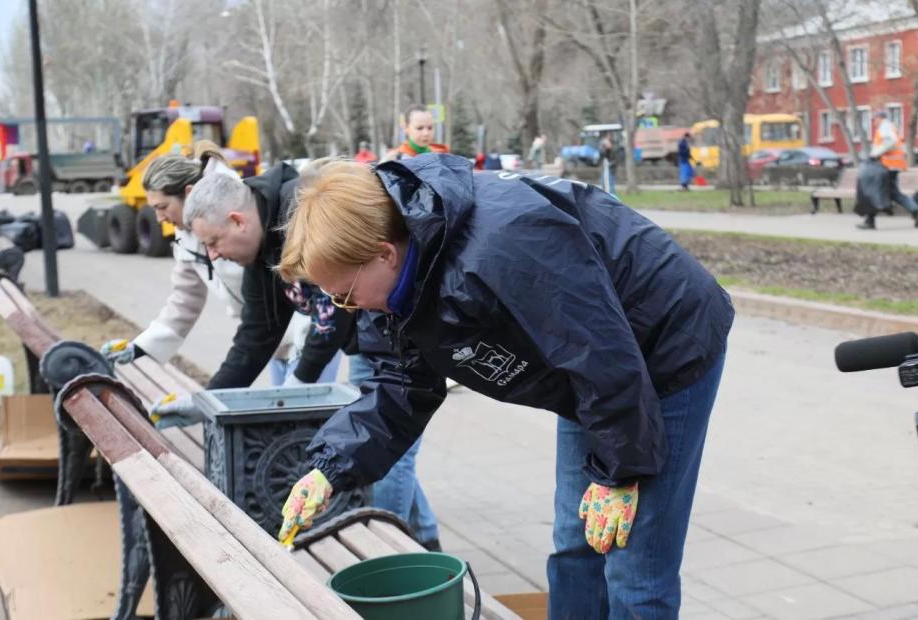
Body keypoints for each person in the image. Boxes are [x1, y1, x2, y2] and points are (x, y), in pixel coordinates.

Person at [276, 155, 734, 618]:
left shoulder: (505, 242)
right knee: (575, 543)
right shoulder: (392, 293)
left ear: (384, 253)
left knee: (633, 565)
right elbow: (401, 386)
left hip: (664, 349)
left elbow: (598, 349)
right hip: (589, 377)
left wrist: (620, 472)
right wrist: (330, 467)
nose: (347, 308)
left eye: (346, 294)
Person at [155, 159, 441, 549]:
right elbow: (255, 337)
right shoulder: (258, 252)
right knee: (377, 441)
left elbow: (333, 314)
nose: (213, 255)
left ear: (238, 221)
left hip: (395, 334)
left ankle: (387, 552)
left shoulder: (298, 212)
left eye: (213, 242)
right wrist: (206, 400)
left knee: (387, 448)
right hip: (369, 337)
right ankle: (424, 540)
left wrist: (298, 382)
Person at [99, 143, 247, 368]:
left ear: (189, 194)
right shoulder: (185, 236)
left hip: (304, 338)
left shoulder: (239, 217)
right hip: (272, 345)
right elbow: (185, 299)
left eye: (163, 207)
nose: (159, 218)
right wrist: (140, 347)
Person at [858, 110, 918, 230]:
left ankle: (870, 221)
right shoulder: (890, 127)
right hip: (893, 165)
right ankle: (915, 210)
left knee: (872, 191)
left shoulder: (885, 126)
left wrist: (875, 154)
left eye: (874, 119)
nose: (873, 122)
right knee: (893, 193)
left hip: (886, 166)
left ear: (880, 118)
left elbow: (890, 142)